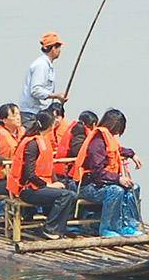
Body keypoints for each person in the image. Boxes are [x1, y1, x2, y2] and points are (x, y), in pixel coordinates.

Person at [12, 107, 78, 238]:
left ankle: (58, 228)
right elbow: (29, 174)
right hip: (29, 189)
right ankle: (50, 229)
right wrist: (48, 186)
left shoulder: (43, 140)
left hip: (40, 186)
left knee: (70, 190)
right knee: (66, 195)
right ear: (50, 125)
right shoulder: (32, 144)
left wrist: (55, 182)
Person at [77, 108, 142, 237]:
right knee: (115, 190)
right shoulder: (97, 143)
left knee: (133, 188)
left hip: (105, 182)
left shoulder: (108, 140)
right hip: (89, 186)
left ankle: (128, 224)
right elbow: (97, 172)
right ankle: (108, 227)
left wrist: (132, 154)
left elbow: (119, 150)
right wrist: (118, 179)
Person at [19, 31, 63, 120]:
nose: (60, 50)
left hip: (38, 112)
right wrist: (56, 96)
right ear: (53, 48)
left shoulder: (47, 65)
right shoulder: (41, 65)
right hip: (32, 113)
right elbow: (35, 90)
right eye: (58, 47)